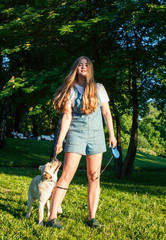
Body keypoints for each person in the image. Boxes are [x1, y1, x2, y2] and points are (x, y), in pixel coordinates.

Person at [46, 56, 117, 229]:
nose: (83, 67)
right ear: (75, 68)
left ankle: (92, 217)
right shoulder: (70, 90)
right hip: (76, 134)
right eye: (80, 65)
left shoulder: (99, 88)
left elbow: (106, 113)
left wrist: (112, 135)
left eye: (86, 65)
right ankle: (52, 217)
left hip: (96, 135)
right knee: (66, 175)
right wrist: (60, 140)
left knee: (94, 176)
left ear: (90, 68)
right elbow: (67, 116)